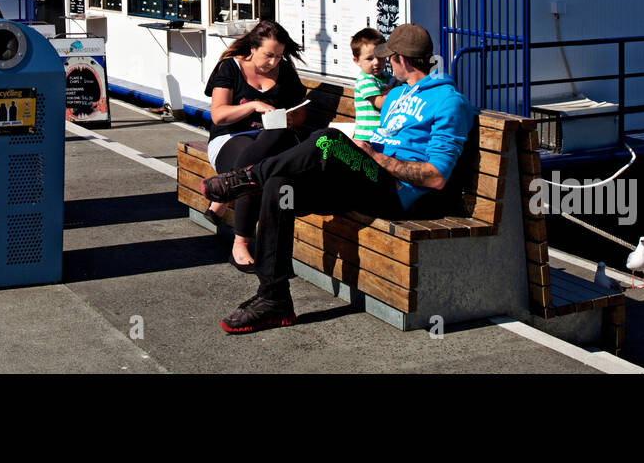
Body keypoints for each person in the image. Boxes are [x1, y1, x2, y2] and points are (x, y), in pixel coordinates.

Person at [202, 23, 472, 333]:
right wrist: (363, 148)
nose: (386, 63)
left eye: (389, 58)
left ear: (402, 59)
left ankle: (246, 179)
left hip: (396, 191)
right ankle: (274, 298)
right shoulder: (397, 94)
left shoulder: (449, 102)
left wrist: (375, 157)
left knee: (328, 140)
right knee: (280, 187)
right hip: (365, 180)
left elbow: (436, 177)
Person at [203, 20, 309, 273]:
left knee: (268, 151)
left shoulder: (285, 70)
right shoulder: (230, 67)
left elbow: (301, 113)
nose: (274, 62)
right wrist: (252, 105)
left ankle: (227, 190)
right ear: (252, 48)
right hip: (230, 138)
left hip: (272, 140)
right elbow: (218, 115)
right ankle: (240, 244)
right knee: (256, 168)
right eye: (269, 55)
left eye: (279, 56)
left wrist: (290, 118)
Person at [350, 27, 393, 145]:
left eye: (380, 57)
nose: (376, 62)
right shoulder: (365, 80)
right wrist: (395, 91)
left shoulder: (387, 77)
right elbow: (379, 103)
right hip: (368, 136)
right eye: (369, 58)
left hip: (382, 134)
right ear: (357, 60)